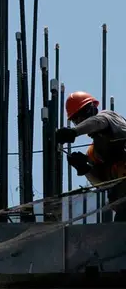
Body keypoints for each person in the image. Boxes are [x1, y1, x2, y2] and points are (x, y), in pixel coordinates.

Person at [56, 91, 126, 222]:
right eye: (75, 120)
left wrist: (74, 132)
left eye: (80, 115)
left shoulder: (109, 117)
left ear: (92, 108)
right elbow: (103, 185)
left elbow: (98, 122)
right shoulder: (93, 153)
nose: (79, 121)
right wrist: (85, 170)